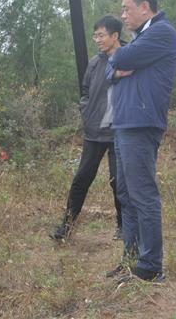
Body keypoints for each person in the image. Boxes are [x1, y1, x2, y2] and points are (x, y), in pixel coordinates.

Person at [105, 0, 176, 283]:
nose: (123, 16)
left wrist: (118, 61)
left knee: (142, 194)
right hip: (124, 123)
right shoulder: (141, 38)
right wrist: (116, 65)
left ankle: (151, 265)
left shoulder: (162, 32)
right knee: (125, 194)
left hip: (140, 124)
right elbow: (110, 67)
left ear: (145, 7)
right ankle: (131, 259)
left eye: (127, 9)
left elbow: (119, 58)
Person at [50, 15, 123, 241]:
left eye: (101, 35)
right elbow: (85, 92)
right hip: (94, 132)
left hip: (120, 131)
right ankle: (66, 226)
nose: (97, 40)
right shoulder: (94, 63)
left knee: (118, 181)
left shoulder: (129, 59)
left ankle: (124, 226)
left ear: (115, 36)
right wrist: (87, 112)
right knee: (81, 178)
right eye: (95, 36)